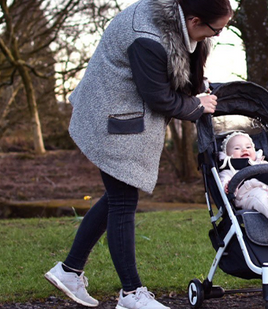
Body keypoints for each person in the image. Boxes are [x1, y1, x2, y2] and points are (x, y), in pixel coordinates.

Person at [44, 0, 232, 308]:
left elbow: (183, 66)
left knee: (119, 196)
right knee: (123, 200)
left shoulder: (178, 20)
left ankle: (69, 270)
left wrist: (199, 86)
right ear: (195, 19)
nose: (218, 35)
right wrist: (198, 106)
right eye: (217, 29)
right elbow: (159, 98)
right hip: (110, 115)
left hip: (121, 109)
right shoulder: (147, 37)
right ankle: (131, 294)